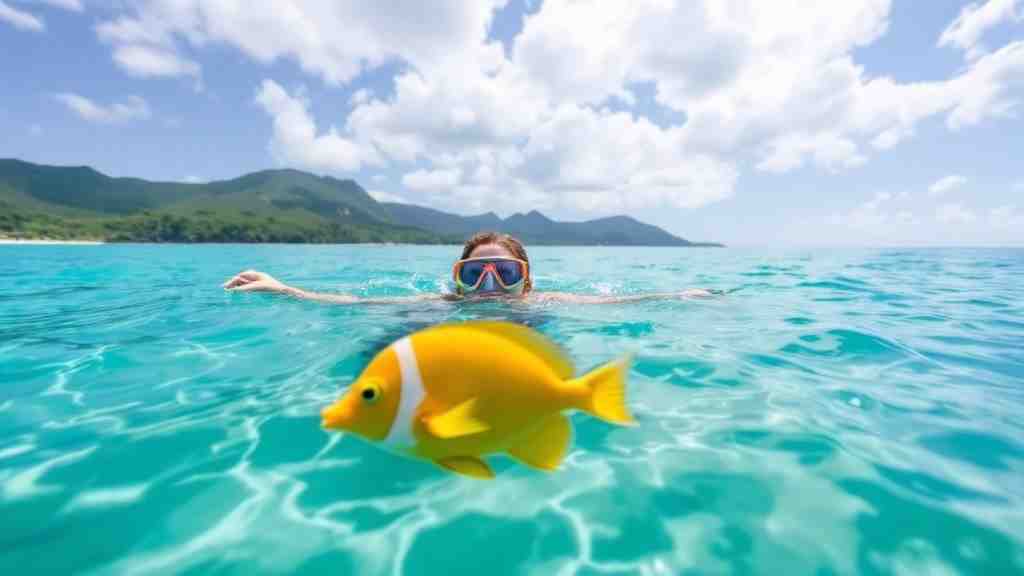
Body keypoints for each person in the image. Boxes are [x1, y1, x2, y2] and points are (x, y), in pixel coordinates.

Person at [222, 231, 714, 304]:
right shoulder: (440, 305)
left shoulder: (547, 303)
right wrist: (282, 287)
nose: (489, 286)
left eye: (506, 273)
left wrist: (678, 295)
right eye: (474, 274)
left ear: (528, 283)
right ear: (454, 282)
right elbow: (358, 303)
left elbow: (619, 302)